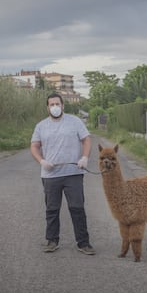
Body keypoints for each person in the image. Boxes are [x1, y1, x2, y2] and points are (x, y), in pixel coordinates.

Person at [30, 92, 96, 255]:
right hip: (51, 175)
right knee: (52, 209)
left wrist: (85, 157)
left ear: (63, 106)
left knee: (77, 207)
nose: (54, 107)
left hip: (73, 172)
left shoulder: (75, 122)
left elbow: (86, 139)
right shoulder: (41, 126)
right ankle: (52, 241)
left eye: (57, 104)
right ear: (47, 107)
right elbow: (34, 146)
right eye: (51, 104)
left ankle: (83, 243)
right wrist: (41, 161)